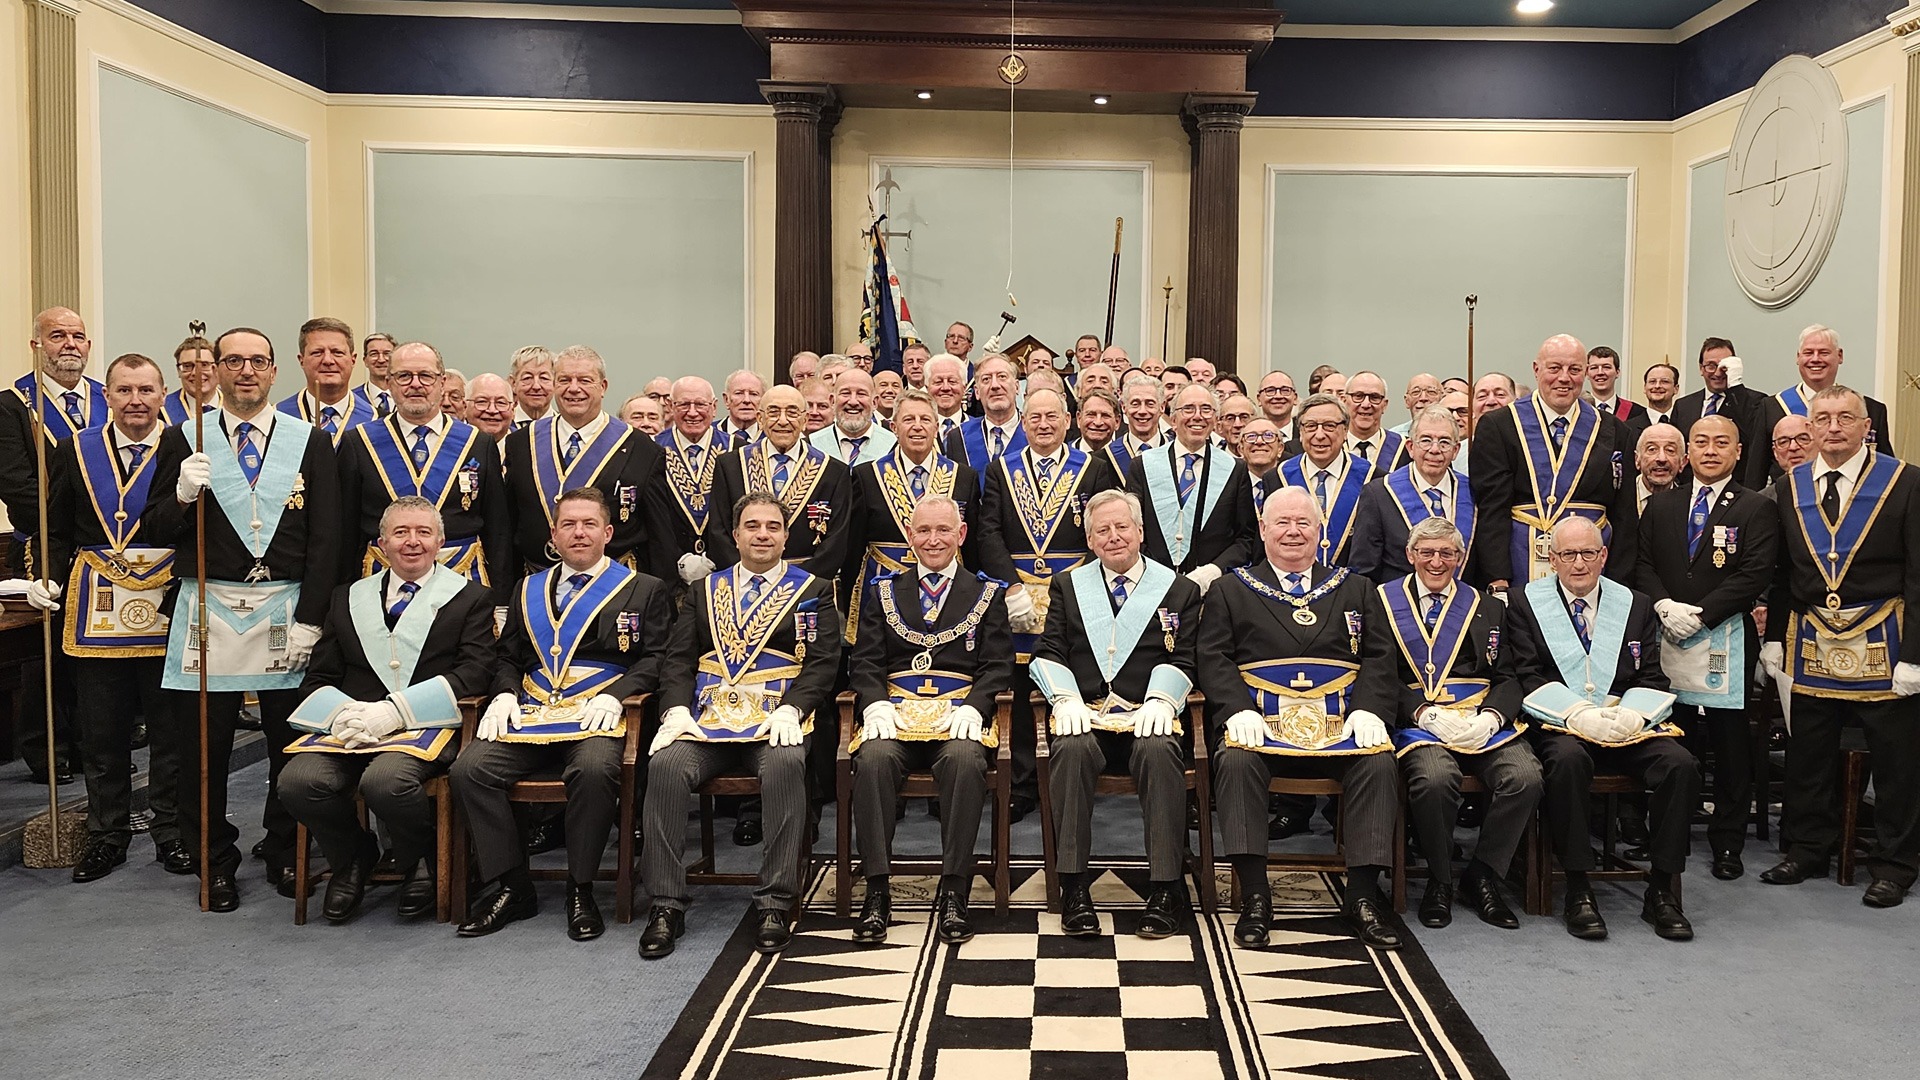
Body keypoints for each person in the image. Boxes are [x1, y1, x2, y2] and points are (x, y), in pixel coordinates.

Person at [144, 326, 343, 911]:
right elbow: (154, 529)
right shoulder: (185, 437)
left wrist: (313, 617)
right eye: (234, 361)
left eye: (258, 361)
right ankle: (214, 860)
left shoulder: (309, 441)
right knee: (203, 748)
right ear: (215, 371)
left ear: (276, 370)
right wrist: (180, 496)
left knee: (291, 745)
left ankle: (285, 851)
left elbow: (327, 536)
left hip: (285, 609)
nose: (246, 371)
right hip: (209, 608)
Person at [1199, 488, 1404, 950]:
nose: (1293, 532)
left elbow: (1379, 654)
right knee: (1234, 761)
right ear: (1265, 530)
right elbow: (1212, 657)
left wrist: (1370, 708)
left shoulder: (1356, 588)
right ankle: (1255, 895)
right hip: (1262, 725)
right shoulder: (1231, 590)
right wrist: (1237, 710)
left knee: (1378, 761)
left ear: (1321, 531)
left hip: (1340, 728)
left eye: (1303, 523)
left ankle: (1363, 897)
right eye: (1282, 523)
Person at [640, 493, 843, 957]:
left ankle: (774, 900)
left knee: (786, 766)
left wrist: (795, 708)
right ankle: (667, 903)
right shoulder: (702, 591)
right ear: (735, 536)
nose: (763, 534)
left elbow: (823, 662)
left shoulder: (813, 589)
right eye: (752, 526)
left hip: (775, 720)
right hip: (708, 722)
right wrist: (674, 710)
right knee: (666, 766)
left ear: (786, 536)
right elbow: (678, 659)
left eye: (773, 526)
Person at [280, 497, 496, 921]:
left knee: (386, 781)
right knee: (298, 781)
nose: (411, 542)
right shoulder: (347, 597)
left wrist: (396, 713)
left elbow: (476, 673)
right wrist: (344, 716)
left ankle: (419, 859)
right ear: (381, 543)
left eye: (422, 533)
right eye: (400, 533)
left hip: (430, 725)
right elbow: (320, 677)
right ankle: (354, 857)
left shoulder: (470, 598)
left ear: (440, 541)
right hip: (354, 726)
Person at [1759, 386, 1920, 908]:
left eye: (1845, 418)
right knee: (1809, 754)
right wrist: (1773, 640)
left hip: (1886, 639)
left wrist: (1916, 655)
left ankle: (1894, 864)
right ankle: (1808, 849)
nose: (1833, 427)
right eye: (1822, 418)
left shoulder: (1905, 482)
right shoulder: (1789, 486)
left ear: (1865, 424)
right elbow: (1783, 574)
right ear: (1809, 425)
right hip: (1811, 637)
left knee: (1896, 763)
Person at [30, 353, 186, 880]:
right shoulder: (76, 449)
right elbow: (53, 523)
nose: (135, 401)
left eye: (146, 390)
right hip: (96, 606)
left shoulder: (185, 447)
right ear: (108, 396)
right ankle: (107, 833)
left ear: (162, 396)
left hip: (166, 604)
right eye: (124, 391)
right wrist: (44, 576)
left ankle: (171, 831)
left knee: (170, 732)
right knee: (103, 732)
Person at [1508, 517, 1696, 941]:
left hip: (1625, 724)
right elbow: (1526, 674)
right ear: (1551, 559)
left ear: (1603, 556)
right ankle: (1578, 885)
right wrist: (1576, 714)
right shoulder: (1524, 602)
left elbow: (1651, 676)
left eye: (1588, 553)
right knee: (1568, 761)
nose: (1579, 564)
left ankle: (1663, 889)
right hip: (1561, 725)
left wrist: (1631, 716)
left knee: (1680, 765)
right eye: (1568, 555)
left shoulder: (1635, 604)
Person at [1031, 490, 1201, 939]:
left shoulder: (1178, 589)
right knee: (1069, 749)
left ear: (1141, 532)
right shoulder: (1069, 586)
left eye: (1122, 527)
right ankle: (1073, 885)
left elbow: (1187, 657)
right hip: (1086, 714)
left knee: (1161, 750)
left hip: (1149, 714)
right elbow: (1048, 649)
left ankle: (1165, 887)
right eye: (1102, 530)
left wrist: (1163, 700)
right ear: (1089, 539)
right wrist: (1064, 697)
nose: (1114, 537)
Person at [1356, 517, 1539, 930]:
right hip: (1418, 721)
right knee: (1435, 779)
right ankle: (1440, 879)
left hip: (1480, 718)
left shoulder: (1487, 606)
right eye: (1427, 553)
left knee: (1525, 777)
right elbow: (1377, 673)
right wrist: (1422, 711)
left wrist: (1493, 716)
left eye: (1447, 553)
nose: (1437, 562)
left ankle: (1483, 875)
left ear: (1460, 557)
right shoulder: (1381, 602)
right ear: (1410, 555)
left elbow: (1509, 675)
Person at [847, 496, 1012, 944]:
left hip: (958, 714)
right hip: (895, 716)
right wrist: (875, 703)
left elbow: (997, 664)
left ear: (960, 536)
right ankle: (877, 890)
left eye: (943, 530)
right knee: (874, 759)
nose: (933, 540)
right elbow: (864, 660)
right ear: (909, 535)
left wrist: (977, 705)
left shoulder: (986, 593)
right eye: (923, 531)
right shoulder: (883, 591)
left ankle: (955, 889)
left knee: (965, 761)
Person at [1634, 414, 1777, 881]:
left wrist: (1699, 614)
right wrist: (1663, 605)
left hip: (1726, 638)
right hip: (1666, 637)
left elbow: (1754, 573)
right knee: (1673, 742)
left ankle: (1727, 842)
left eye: (1721, 443)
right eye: (1701, 442)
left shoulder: (1755, 507)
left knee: (1731, 750)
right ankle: (1665, 832)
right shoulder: (1662, 504)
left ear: (1738, 452)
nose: (1710, 450)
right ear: (1687, 452)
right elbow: (1644, 562)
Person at [978, 388, 1121, 819]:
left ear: (1068, 421)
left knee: (1068, 684)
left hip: (1072, 593)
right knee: (1019, 688)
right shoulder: (1001, 469)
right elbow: (988, 532)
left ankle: (1069, 779)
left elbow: (1104, 532)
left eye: (1052, 416)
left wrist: (1085, 590)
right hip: (1016, 594)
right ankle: (1022, 784)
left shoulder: (1094, 470)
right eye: (1035, 417)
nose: (1043, 424)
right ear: (1023, 423)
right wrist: (1010, 586)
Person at [2, 306, 102, 783]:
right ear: (37, 346)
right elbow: (17, 484)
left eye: (78, 336)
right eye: (57, 335)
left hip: (107, 550)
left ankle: (93, 742)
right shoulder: (13, 405)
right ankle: (48, 749)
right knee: (48, 653)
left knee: (94, 655)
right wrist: (67, 526)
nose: (70, 344)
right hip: (45, 546)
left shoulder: (112, 398)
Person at [336, 342, 511, 608]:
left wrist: (500, 603)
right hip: (382, 585)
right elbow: (345, 532)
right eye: (404, 376)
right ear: (390, 383)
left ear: (441, 383)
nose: (415, 384)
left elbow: (498, 529)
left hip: (462, 585)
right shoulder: (358, 443)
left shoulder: (478, 443)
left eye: (425, 376)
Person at [1470, 335, 1638, 594]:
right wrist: (1497, 578)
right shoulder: (1499, 426)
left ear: (1585, 373)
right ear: (1536, 370)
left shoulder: (1614, 430)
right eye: (1555, 368)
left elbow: (1624, 516)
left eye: (1574, 370)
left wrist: (1618, 583)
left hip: (1595, 573)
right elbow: (1492, 508)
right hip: (1519, 567)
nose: (1564, 378)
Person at [502, 345, 671, 582]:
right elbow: (507, 525)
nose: (574, 388)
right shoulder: (521, 443)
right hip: (537, 585)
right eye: (564, 380)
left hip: (613, 587)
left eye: (584, 380)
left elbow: (660, 534)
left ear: (603, 387)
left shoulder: (641, 448)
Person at [705, 384, 853, 578]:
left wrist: (797, 582)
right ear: (760, 419)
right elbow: (718, 533)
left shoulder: (833, 471)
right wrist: (751, 575)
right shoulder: (730, 465)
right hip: (743, 583)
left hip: (807, 586)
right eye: (773, 412)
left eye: (792, 413)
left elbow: (836, 543)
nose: (783, 421)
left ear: (805, 420)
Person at [1126, 383, 1256, 595]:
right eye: (1188, 409)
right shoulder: (1143, 465)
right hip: (1150, 588)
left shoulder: (1234, 468)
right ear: (1173, 419)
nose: (1197, 416)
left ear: (1215, 420)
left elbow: (1246, 539)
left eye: (1206, 410)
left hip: (1213, 591)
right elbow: (1132, 530)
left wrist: (1213, 571)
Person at [1749, 325, 1894, 488]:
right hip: (1790, 501)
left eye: (1824, 353)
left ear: (1840, 356)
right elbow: (1756, 473)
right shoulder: (1771, 407)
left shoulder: (1871, 409)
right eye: (1808, 353)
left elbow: (1884, 470)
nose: (1816, 359)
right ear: (1798, 357)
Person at [1351, 405, 1475, 584]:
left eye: (1444, 442)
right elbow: (1365, 571)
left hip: (1461, 606)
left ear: (1456, 450)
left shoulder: (1472, 492)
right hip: (1398, 606)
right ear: (1410, 447)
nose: (1434, 449)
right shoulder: (1379, 493)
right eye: (1425, 440)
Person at [1275, 392, 1372, 567]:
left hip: (1354, 587)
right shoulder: (1277, 477)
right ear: (1301, 431)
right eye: (1311, 426)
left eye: (1329, 426)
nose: (1319, 435)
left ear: (1345, 431)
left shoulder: (1373, 478)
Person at [655, 376, 728, 593]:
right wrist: (679, 560)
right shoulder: (652, 451)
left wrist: (716, 558)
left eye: (700, 404)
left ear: (714, 407)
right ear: (670, 406)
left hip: (724, 573)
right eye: (684, 404)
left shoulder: (738, 451)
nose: (693, 412)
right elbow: (652, 521)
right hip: (668, 576)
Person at [1669, 338, 1764, 486]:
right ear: (1701, 368)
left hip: (1737, 489)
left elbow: (1752, 438)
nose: (1718, 373)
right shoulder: (1683, 406)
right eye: (1711, 366)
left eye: (1724, 367)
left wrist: (1735, 386)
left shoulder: (1754, 401)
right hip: (1690, 488)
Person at [277, 317, 376, 446]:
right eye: (317, 352)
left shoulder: (376, 420)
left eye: (337, 352)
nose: (328, 360)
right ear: (301, 360)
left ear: (353, 359)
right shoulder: (278, 418)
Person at [944, 355, 1023, 493]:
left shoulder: (1034, 433)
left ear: (1017, 387)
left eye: (1002, 377)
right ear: (977, 392)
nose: (995, 385)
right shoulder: (958, 438)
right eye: (986, 379)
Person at [810, 369, 897, 466]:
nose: (853, 402)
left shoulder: (895, 447)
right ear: (832, 401)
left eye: (861, 394)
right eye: (845, 393)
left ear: (874, 402)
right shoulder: (811, 446)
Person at [1342, 372, 1406, 471]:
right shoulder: (1331, 447)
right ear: (1344, 401)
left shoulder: (1405, 450)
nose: (1366, 404)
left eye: (1374, 397)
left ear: (1384, 405)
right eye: (1358, 396)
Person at [1113, 374, 1169, 475]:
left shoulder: (1176, 454)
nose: (1142, 411)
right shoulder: (1107, 457)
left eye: (1150, 404)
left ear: (1162, 407)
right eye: (1135, 404)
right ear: (1123, 407)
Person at [164, 328, 221, 424]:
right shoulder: (161, 410)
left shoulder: (236, 405)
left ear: (217, 369)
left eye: (204, 365)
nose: (196, 373)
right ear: (178, 371)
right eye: (187, 366)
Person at [1585, 346, 1647, 431]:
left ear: (1617, 373)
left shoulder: (1637, 413)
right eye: (1594, 368)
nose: (1600, 372)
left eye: (1606, 367)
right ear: (1587, 374)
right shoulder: (1576, 410)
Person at [1633, 423, 1686, 513]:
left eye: (1670, 450)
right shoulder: (1616, 498)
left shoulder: (1687, 503)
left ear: (1683, 462)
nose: (1661, 458)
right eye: (1652, 449)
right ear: (1637, 459)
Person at [926, 355, 971, 442]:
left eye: (952, 381)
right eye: (938, 382)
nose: (945, 388)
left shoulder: (979, 430)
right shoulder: (918, 430)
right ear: (927, 388)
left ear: (964, 388)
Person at [716, 369, 765, 446]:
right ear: (726, 400)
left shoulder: (771, 436)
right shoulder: (709, 433)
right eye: (739, 393)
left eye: (753, 394)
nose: (746, 400)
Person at [509, 346, 555, 427]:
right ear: (513, 383)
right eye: (527, 378)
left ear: (555, 383)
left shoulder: (565, 427)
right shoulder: (502, 427)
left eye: (544, 378)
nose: (536, 386)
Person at [355, 332, 397, 419]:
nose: (381, 360)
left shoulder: (407, 396)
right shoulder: (352, 398)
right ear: (365, 361)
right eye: (374, 354)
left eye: (387, 354)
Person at [466, 373, 515, 447]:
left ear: (513, 410)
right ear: (465, 407)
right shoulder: (452, 446)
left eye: (500, 402)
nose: (492, 410)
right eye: (482, 402)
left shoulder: (526, 447)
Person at [1256, 370, 1299, 443]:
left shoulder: (1305, 434)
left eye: (1285, 390)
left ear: (1295, 398)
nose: (1278, 396)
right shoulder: (1249, 435)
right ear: (1259, 399)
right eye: (1270, 391)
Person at [1641, 363, 1678, 428]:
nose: (1657, 386)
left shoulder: (1686, 425)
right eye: (1652, 381)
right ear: (1644, 388)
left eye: (1664, 381)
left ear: (1676, 388)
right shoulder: (1628, 428)